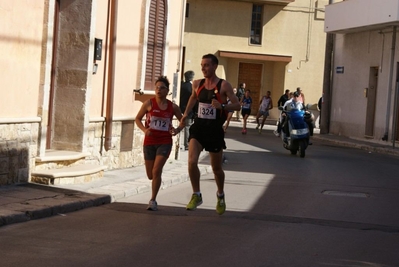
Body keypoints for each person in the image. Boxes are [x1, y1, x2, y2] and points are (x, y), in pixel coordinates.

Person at [180, 53, 240, 215]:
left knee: (216, 168)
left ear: (214, 66)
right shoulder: (197, 83)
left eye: (206, 65)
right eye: (202, 65)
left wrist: (222, 106)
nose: (203, 68)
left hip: (214, 130)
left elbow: (237, 106)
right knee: (192, 162)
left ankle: (220, 194)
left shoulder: (224, 85)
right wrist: (185, 115)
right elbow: (193, 98)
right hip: (199, 127)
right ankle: (196, 194)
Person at [135, 76, 184, 211]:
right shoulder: (148, 103)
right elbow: (137, 119)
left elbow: (183, 120)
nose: (158, 90)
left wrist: (177, 129)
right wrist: (145, 130)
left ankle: (153, 200)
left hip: (165, 141)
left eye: (162, 88)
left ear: (167, 91)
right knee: (150, 174)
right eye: (156, 87)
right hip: (149, 141)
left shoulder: (172, 107)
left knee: (157, 170)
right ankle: (154, 190)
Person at [179, 70, 195, 150]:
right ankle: (187, 144)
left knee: (180, 125)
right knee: (187, 127)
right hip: (189, 110)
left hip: (179, 109)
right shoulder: (192, 88)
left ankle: (178, 143)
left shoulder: (181, 85)